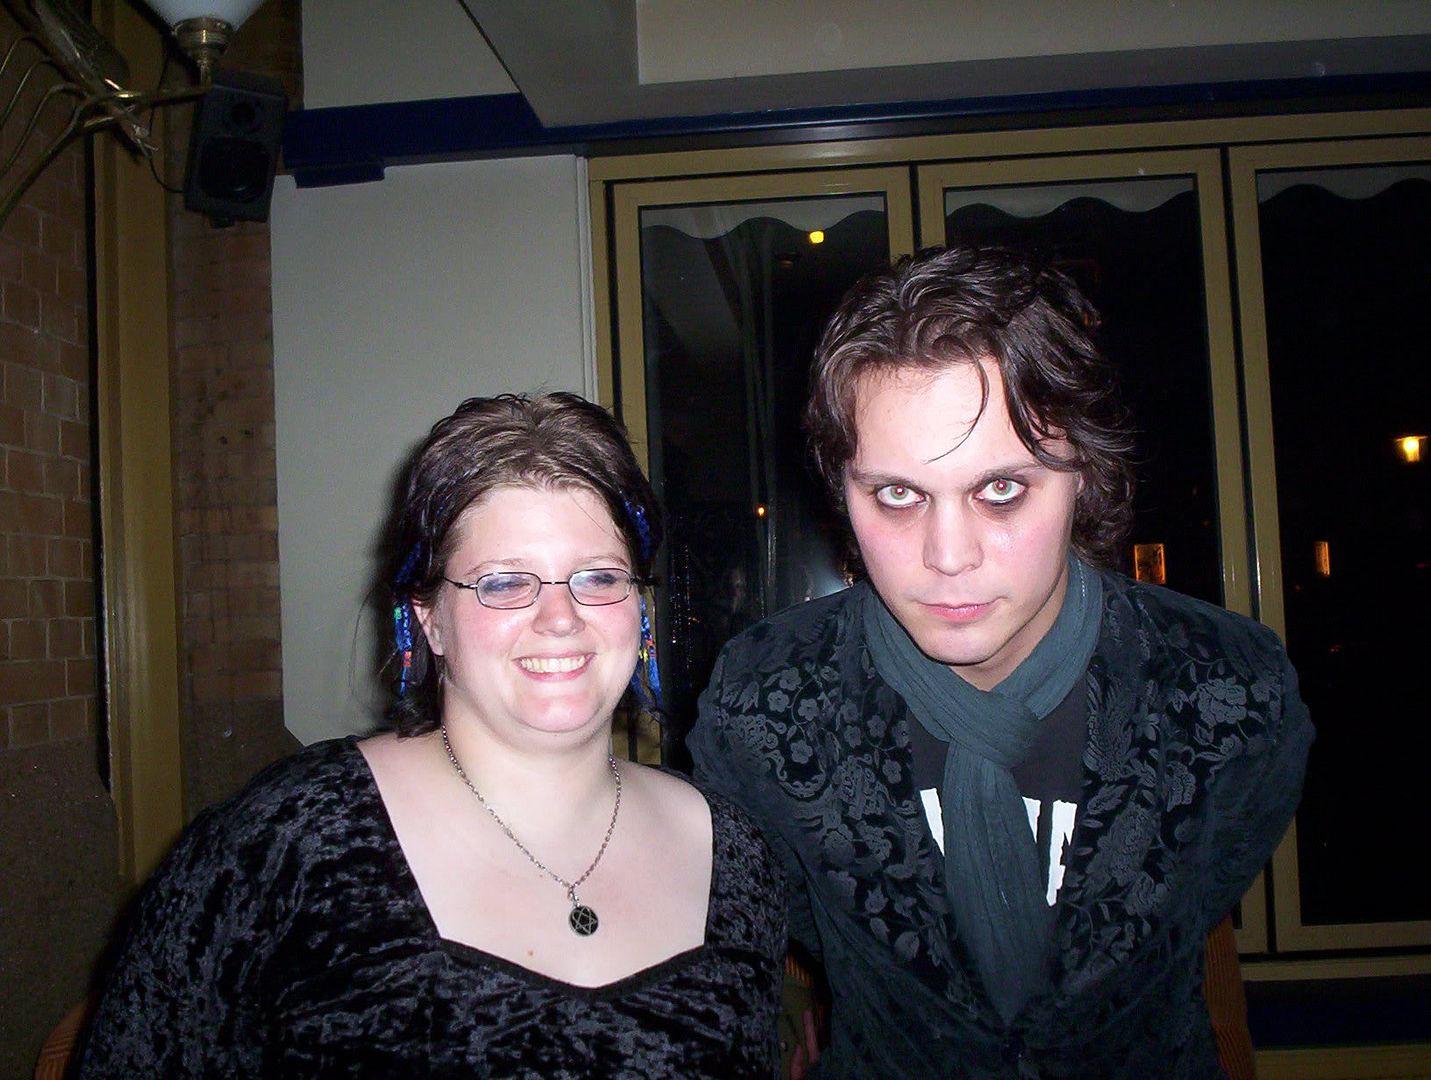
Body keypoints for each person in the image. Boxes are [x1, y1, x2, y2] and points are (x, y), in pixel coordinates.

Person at [689, 246, 1313, 1079]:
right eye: (897, 494)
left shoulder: (1226, 687)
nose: (948, 556)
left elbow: (1208, 887)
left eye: (1001, 490)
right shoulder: (763, 706)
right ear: (842, 488)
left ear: (1084, 474)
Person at [79, 393, 786, 1077]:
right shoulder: (282, 846)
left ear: (639, 606)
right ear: (429, 619)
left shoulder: (734, 853)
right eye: (504, 583)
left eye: (598, 577)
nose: (560, 617)